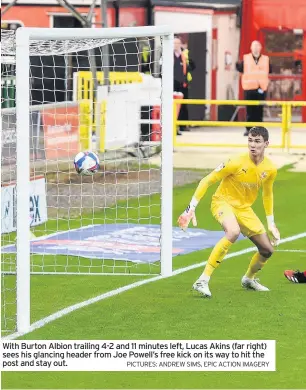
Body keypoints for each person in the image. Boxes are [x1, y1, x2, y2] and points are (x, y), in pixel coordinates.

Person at [178, 126, 280, 298]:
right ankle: (203, 279)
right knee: (233, 231)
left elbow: (267, 194)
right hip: (222, 202)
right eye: (250, 140)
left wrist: (271, 223)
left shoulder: (270, 169)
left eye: (257, 141)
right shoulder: (235, 161)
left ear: (266, 144)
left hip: (243, 208)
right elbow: (207, 180)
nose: (253, 145)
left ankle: (249, 279)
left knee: (267, 250)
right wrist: (191, 208)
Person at [236, 41, 272, 136]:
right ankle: (249, 129)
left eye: (257, 46)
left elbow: (270, 70)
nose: (256, 48)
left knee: (259, 110)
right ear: (251, 48)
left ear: (260, 48)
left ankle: (259, 129)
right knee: (250, 110)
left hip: (261, 88)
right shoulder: (246, 59)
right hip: (249, 88)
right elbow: (240, 68)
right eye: (254, 46)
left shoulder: (266, 59)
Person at [173, 36, 195, 135]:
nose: (176, 45)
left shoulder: (184, 56)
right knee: (172, 106)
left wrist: (188, 60)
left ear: (181, 45)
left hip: (182, 84)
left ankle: (183, 125)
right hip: (172, 84)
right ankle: (174, 127)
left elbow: (192, 67)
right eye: (174, 43)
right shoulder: (168, 55)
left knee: (183, 106)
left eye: (178, 43)